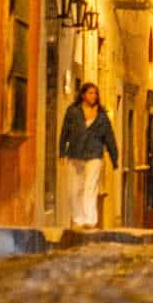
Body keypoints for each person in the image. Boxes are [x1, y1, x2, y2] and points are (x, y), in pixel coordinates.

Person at [58, 82, 118, 229]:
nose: (93, 96)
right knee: (74, 189)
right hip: (75, 153)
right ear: (83, 95)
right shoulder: (73, 111)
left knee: (90, 188)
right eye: (90, 93)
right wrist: (62, 151)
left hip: (94, 154)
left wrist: (114, 157)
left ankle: (90, 220)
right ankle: (78, 219)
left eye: (95, 93)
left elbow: (109, 137)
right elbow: (64, 131)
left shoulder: (102, 116)